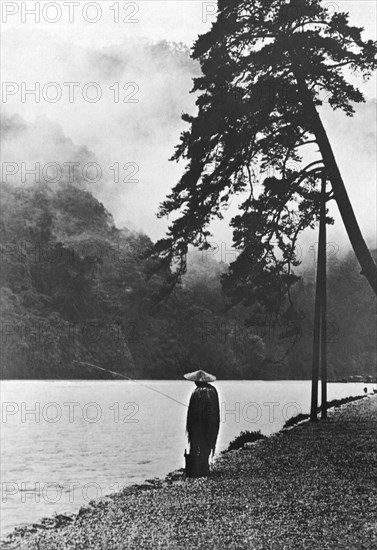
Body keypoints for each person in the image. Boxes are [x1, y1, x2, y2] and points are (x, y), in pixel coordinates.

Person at [184, 369, 220, 477]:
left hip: (196, 425)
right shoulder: (213, 391)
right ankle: (204, 467)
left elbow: (192, 413)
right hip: (211, 424)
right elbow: (215, 411)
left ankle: (195, 469)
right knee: (207, 444)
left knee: (195, 445)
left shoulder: (196, 392)